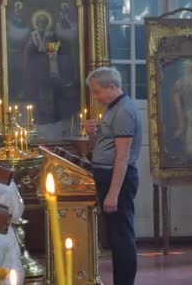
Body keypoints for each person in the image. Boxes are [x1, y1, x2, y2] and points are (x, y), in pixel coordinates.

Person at [84, 67, 142, 285]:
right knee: (116, 238)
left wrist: (113, 194)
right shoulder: (112, 108)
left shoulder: (124, 110)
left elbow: (122, 156)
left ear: (111, 87)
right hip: (108, 178)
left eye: (97, 92)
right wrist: (93, 135)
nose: (96, 97)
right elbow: (106, 145)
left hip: (118, 181)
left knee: (122, 237)